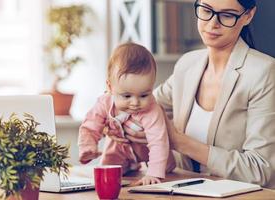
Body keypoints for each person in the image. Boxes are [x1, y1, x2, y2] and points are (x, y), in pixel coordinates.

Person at [107, 0, 275, 188]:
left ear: (248, 16)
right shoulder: (187, 65)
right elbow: (142, 105)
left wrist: (179, 141)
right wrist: (114, 119)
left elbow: (261, 171)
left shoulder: (263, 72)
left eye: (227, 15)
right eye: (206, 10)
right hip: (182, 189)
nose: (212, 24)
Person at [78, 43, 175, 185]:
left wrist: (154, 174)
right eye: (126, 96)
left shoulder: (152, 110)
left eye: (144, 95)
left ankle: (160, 167)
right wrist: (88, 147)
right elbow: (90, 125)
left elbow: (158, 142)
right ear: (110, 87)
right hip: (117, 148)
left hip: (147, 150)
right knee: (108, 173)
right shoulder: (104, 102)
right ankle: (127, 168)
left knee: (165, 167)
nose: (135, 103)